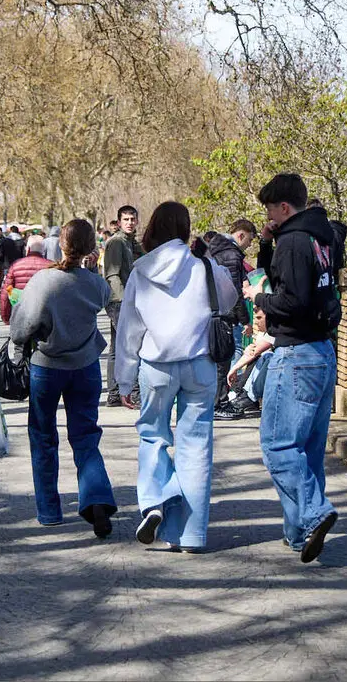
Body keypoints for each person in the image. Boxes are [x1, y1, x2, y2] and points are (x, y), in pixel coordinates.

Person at [115, 201, 237, 553]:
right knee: (196, 447)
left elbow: (129, 330)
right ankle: (191, 535)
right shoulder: (203, 265)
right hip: (200, 364)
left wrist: (125, 379)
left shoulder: (141, 270)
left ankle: (154, 501)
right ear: (185, 229)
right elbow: (227, 302)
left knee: (152, 436)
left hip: (156, 365)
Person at [244, 172, 345, 564]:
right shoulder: (322, 236)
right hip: (322, 350)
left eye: (270, 209)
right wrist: (267, 245)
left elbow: (291, 299)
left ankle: (316, 512)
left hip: (296, 353)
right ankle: (299, 532)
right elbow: (293, 280)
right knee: (308, 450)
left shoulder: (293, 241)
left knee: (278, 445)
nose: (267, 216)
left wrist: (259, 299)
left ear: (283, 207)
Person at [10, 219, 116, 536]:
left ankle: (49, 511)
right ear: (90, 249)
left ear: (61, 244)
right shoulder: (96, 285)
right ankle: (96, 499)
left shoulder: (44, 281)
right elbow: (104, 295)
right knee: (85, 438)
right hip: (85, 367)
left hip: (47, 366)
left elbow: (20, 329)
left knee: (43, 438)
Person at [207, 218, 259, 412]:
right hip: (223, 314)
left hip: (212, 312)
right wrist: (245, 320)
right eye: (250, 239)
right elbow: (233, 290)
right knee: (223, 359)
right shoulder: (231, 255)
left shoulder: (218, 249)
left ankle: (217, 401)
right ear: (241, 235)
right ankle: (220, 403)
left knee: (217, 359)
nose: (250, 244)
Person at [103, 204, 144, 407]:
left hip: (124, 300)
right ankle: (131, 392)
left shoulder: (129, 242)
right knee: (129, 346)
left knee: (117, 347)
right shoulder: (117, 243)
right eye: (126, 219)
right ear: (119, 222)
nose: (130, 223)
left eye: (132, 219)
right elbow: (112, 275)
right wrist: (122, 302)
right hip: (119, 301)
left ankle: (114, 392)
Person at [221, 306, 273, 420]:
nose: (256, 321)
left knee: (267, 357)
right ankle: (243, 393)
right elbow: (253, 351)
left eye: (259, 318)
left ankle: (246, 396)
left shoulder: (276, 330)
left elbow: (254, 352)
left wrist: (233, 369)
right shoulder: (267, 332)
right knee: (262, 357)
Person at [0, 235, 51, 323]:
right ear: (43, 250)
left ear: (28, 249)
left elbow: (6, 291)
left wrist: (6, 316)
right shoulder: (51, 266)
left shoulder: (16, 265)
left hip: (21, 314)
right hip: (44, 315)